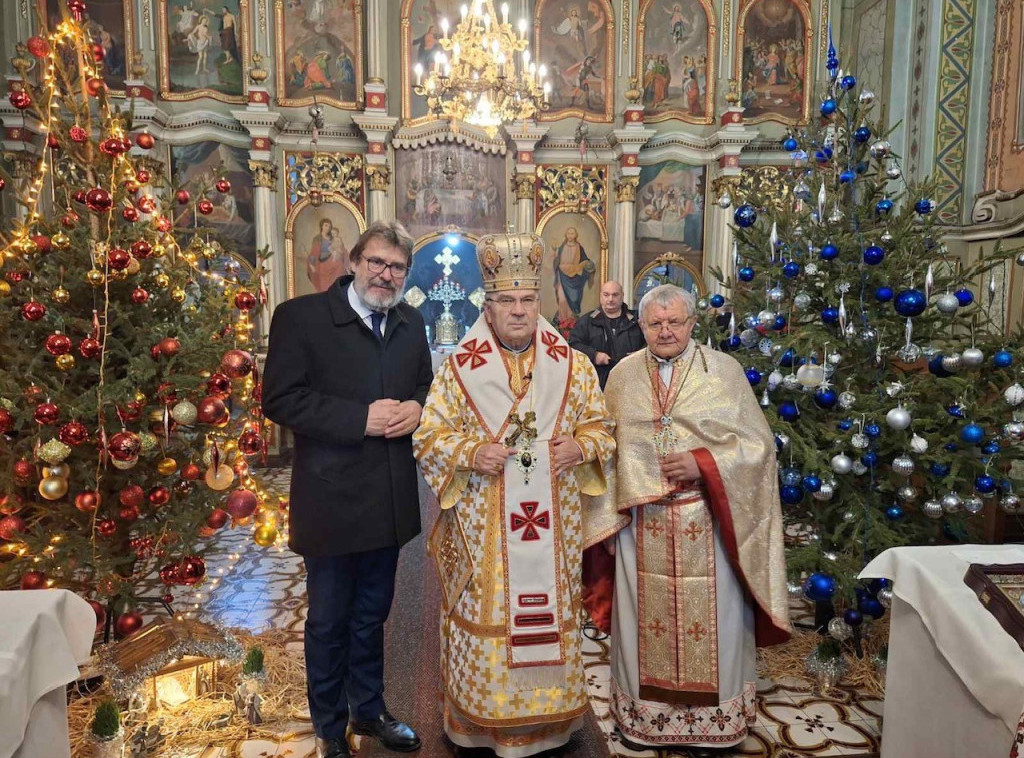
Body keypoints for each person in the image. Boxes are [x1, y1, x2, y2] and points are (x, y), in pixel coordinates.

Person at [412, 231, 616, 757]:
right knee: (489, 613)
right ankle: (480, 723)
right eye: (507, 301)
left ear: (539, 303)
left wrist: (581, 446)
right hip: (484, 526)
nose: (519, 311)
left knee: (549, 612)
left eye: (527, 300)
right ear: (490, 304)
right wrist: (468, 452)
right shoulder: (460, 368)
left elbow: (603, 429)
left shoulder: (572, 366)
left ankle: (549, 724)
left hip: (556, 529)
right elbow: (429, 435)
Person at [584, 284, 791, 751]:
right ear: (641, 325)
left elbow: (758, 448)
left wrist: (705, 463)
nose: (665, 331)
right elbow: (608, 449)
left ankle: (715, 726)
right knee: (641, 625)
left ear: (693, 323)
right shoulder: (621, 376)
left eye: (675, 322)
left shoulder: (723, 371)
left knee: (714, 626)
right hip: (642, 526)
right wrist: (608, 521)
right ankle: (643, 722)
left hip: (710, 522)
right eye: (655, 323)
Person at [262, 220, 430, 758]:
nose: (386, 274)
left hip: (388, 497)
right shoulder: (301, 318)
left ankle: (371, 710)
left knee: (372, 614)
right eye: (377, 262)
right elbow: (281, 400)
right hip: (330, 500)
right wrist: (361, 418)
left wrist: (418, 408)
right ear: (355, 261)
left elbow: (425, 382)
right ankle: (330, 728)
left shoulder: (410, 322)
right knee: (329, 620)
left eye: (397, 267)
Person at [568, 281, 645, 389]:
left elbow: (650, 342)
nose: (610, 299)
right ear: (600, 296)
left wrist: (639, 355)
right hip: (598, 384)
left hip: (632, 382)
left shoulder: (637, 320)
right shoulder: (587, 321)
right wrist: (594, 355)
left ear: (622, 296)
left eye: (615, 295)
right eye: (606, 295)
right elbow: (573, 344)